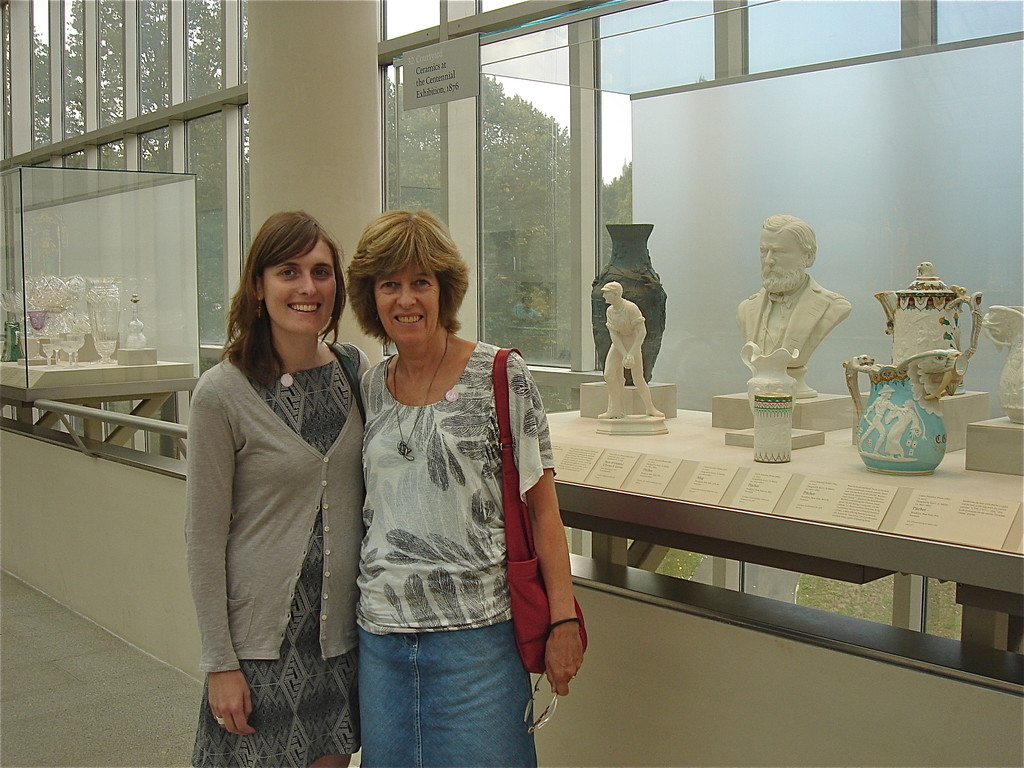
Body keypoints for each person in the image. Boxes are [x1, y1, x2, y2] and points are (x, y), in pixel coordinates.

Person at [346, 209, 585, 768]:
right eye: (390, 285)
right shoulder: (369, 389)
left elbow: (544, 511)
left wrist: (563, 618)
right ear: (371, 298)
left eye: (420, 282)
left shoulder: (500, 375)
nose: (406, 300)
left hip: (478, 641)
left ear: (444, 290)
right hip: (381, 640)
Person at [185, 211, 369, 768]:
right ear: (259, 287)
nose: (307, 287)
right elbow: (203, 539)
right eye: (288, 272)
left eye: (321, 272)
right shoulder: (222, 393)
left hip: (340, 640)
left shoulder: (353, 369)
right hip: (260, 648)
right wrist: (220, 664)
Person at [736, 214, 851, 398]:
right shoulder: (746, 310)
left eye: (780, 251)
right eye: (764, 251)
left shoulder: (833, 307)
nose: (769, 260)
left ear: (809, 257)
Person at [598, 281, 664, 419]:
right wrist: (624, 354)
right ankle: (615, 409)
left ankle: (650, 408)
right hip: (618, 344)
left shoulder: (630, 308)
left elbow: (641, 332)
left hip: (633, 342)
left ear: (615, 294)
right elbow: (614, 335)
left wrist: (632, 353)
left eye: (606, 292)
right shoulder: (610, 311)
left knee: (638, 378)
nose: (604, 295)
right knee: (609, 375)